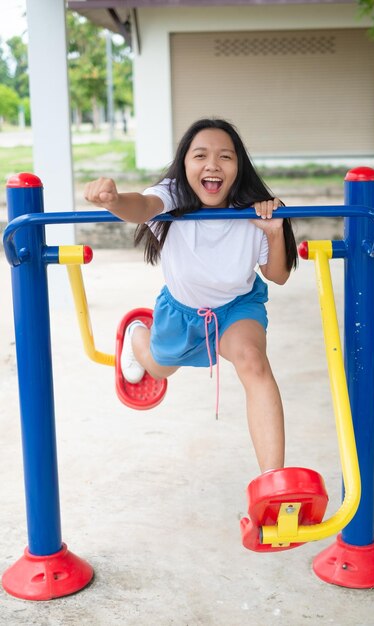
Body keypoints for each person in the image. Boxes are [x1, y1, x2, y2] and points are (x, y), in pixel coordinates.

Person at [84, 118, 297, 473]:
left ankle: (272, 485)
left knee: (253, 361)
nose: (212, 164)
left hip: (237, 308)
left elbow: (278, 276)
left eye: (225, 156)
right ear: (185, 164)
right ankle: (138, 332)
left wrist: (274, 232)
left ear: (238, 167)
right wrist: (115, 200)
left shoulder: (256, 209)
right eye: (200, 155)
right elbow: (141, 206)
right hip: (182, 312)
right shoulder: (170, 196)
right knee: (158, 368)